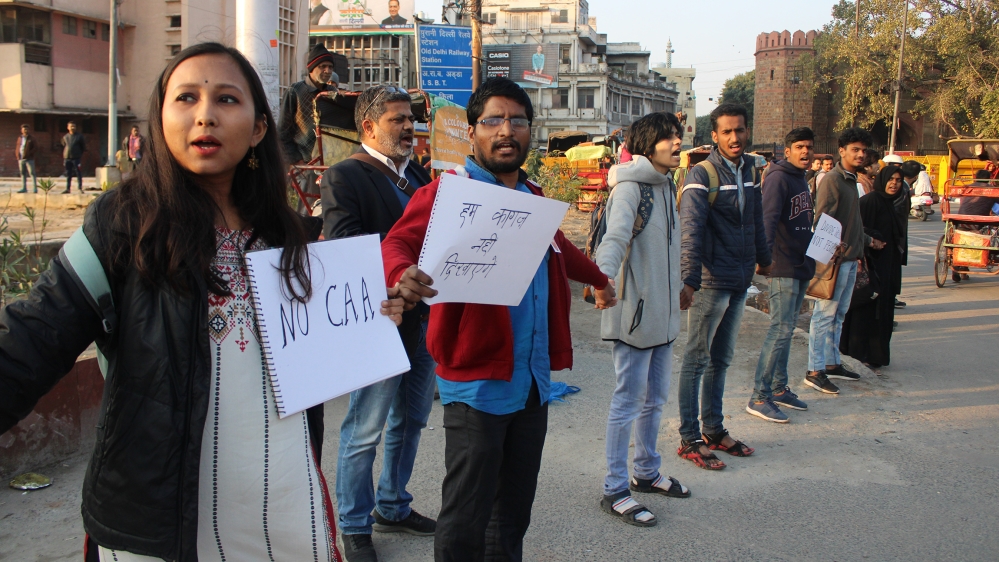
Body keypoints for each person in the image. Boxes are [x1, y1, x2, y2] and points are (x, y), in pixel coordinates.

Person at [0, 42, 407, 562]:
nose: (205, 115)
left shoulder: (287, 237)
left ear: (260, 127)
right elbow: (31, 338)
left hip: (282, 500)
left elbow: (317, 355)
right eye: (186, 98)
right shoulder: (121, 225)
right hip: (159, 521)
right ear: (161, 117)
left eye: (227, 100)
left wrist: (372, 318)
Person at [381, 77, 617, 561]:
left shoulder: (533, 196)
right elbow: (397, 243)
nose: (506, 130)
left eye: (517, 120)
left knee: (512, 513)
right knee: (466, 518)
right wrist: (402, 272)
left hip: (531, 382)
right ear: (472, 133)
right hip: (478, 383)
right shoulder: (450, 194)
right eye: (492, 120)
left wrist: (599, 279)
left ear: (530, 131)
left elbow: (562, 249)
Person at [320, 85, 437, 562]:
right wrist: (395, 273)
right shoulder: (345, 176)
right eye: (397, 120)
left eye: (410, 119)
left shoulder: (422, 177)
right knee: (365, 426)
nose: (409, 127)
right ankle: (353, 524)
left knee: (411, 419)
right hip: (378, 320)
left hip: (423, 319)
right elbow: (343, 245)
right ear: (367, 127)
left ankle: (393, 503)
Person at [595, 112, 689, 527]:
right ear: (649, 144)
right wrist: (602, 281)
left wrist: (682, 284)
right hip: (634, 316)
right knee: (627, 401)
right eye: (669, 138)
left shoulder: (666, 184)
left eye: (678, 136)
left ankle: (646, 472)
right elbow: (614, 238)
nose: (677, 143)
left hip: (664, 318)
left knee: (655, 399)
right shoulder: (631, 187)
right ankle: (615, 487)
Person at [677, 103, 771, 470]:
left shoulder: (751, 168)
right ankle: (689, 438)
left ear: (748, 132)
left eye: (740, 130)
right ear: (714, 136)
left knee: (721, 359)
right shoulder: (702, 174)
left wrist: (764, 257)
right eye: (727, 132)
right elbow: (691, 231)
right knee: (697, 358)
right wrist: (690, 280)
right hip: (711, 281)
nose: (735, 137)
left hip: (740, 277)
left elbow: (757, 218)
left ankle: (714, 430)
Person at [806, 128, 886, 394]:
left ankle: (832, 363)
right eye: (855, 149)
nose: (861, 154)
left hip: (851, 258)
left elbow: (853, 222)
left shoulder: (853, 180)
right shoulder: (832, 179)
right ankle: (815, 370)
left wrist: (863, 245)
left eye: (864, 150)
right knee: (824, 315)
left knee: (839, 315)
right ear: (842, 151)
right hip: (834, 260)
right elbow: (822, 221)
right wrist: (830, 256)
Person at [746, 127, 816, 423]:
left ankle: (778, 389)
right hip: (783, 265)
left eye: (809, 147)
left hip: (802, 264)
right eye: (799, 146)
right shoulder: (777, 177)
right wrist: (765, 261)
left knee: (786, 331)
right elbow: (767, 220)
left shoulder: (801, 178)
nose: (805, 152)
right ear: (786, 150)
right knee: (780, 329)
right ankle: (759, 396)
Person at [840, 165, 906, 369]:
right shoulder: (870, 201)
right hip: (871, 265)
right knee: (867, 309)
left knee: (882, 310)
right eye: (890, 179)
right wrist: (872, 240)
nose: (894, 184)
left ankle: (875, 355)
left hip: (887, 265)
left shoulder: (893, 203)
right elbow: (856, 228)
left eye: (898, 180)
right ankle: (860, 353)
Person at [279, 43, 339, 209]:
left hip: (329, 163)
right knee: (306, 210)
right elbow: (282, 132)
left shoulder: (332, 94)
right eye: (322, 67)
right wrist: (296, 161)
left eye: (330, 67)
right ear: (311, 68)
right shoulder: (295, 92)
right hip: (305, 164)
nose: (327, 71)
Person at [62, 120, 86, 193]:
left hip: (76, 158)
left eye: (74, 126)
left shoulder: (79, 136)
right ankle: (68, 188)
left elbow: (83, 147)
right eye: (71, 126)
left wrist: (78, 154)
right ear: (68, 127)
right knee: (68, 174)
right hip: (67, 158)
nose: (73, 128)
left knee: (78, 172)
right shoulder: (65, 137)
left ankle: (79, 188)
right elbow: (63, 145)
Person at [15, 124, 37, 194]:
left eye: (26, 129)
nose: (25, 130)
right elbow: (18, 147)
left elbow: (35, 148)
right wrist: (17, 154)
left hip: (29, 159)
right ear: (21, 130)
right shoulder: (20, 138)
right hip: (21, 159)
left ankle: (34, 188)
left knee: (32, 173)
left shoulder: (32, 138)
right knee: (22, 173)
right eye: (24, 129)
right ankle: (24, 188)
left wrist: (29, 153)